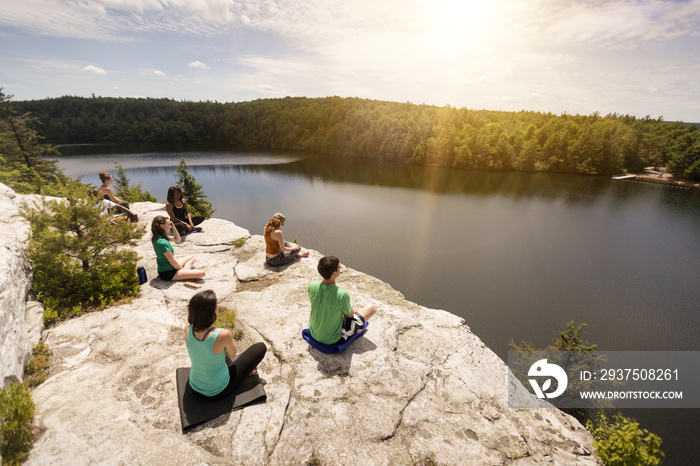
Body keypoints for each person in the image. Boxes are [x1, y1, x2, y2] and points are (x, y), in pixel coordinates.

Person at [185, 289, 267, 399]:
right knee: (260, 347)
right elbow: (232, 354)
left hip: (195, 385)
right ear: (212, 312)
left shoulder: (187, 329)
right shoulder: (222, 335)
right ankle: (246, 370)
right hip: (218, 390)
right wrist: (246, 368)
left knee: (216, 354)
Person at [308, 255, 377, 345]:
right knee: (372, 308)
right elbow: (350, 314)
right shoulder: (341, 295)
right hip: (332, 339)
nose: (340, 267)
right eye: (339, 268)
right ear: (333, 274)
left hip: (313, 333)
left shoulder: (312, 285)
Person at [151, 215, 205, 281]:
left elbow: (177, 239)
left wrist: (173, 227)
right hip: (168, 273)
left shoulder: (158, 237)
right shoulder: (162, 243)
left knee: (192, 258)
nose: (170, 226)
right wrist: (182, 269)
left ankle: (185, 272)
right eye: (169, 224)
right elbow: (172, 262)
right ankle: (185, 272)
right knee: (202, 273)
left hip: (169, 267)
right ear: (162, 226)